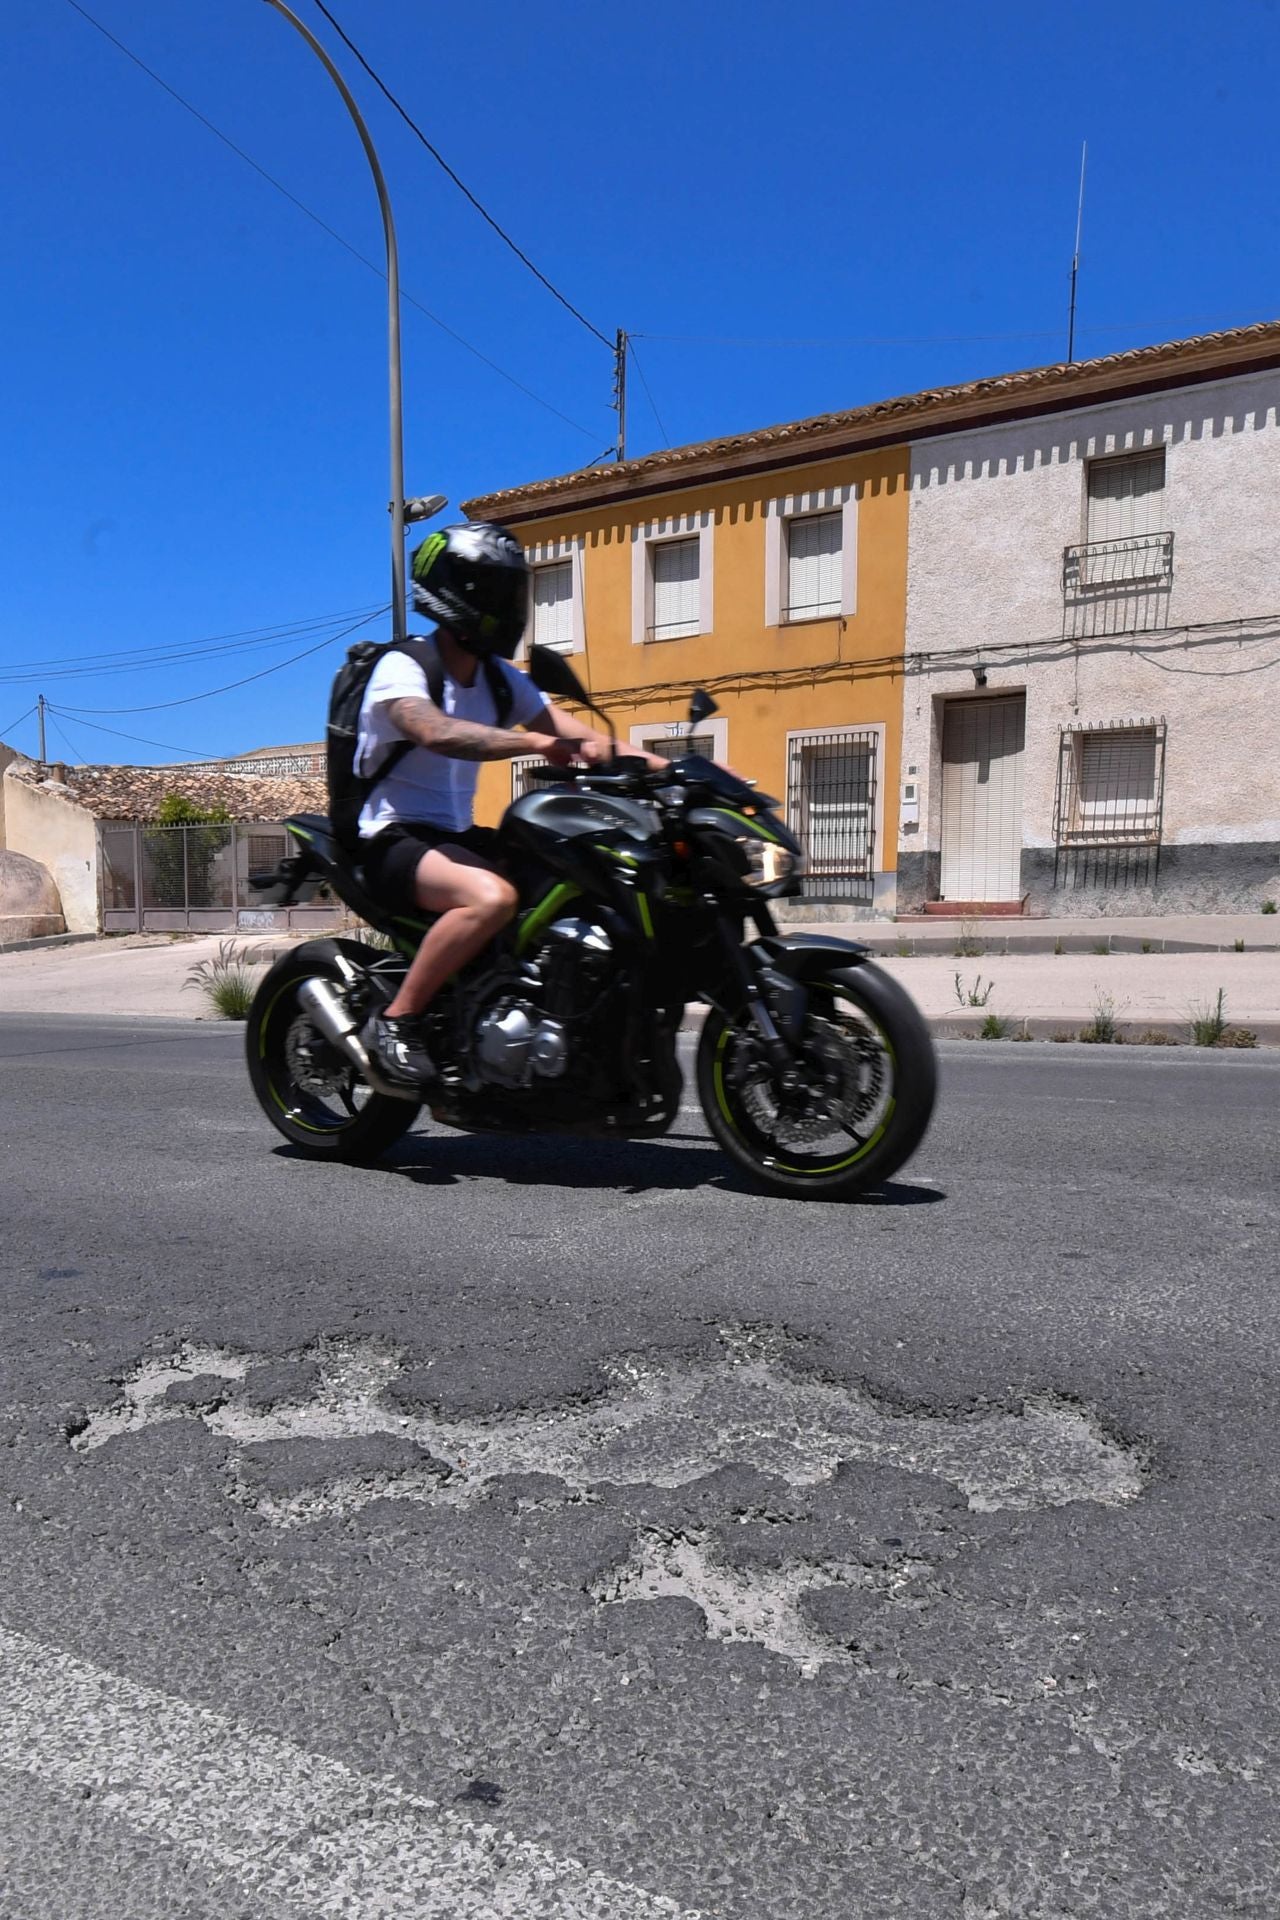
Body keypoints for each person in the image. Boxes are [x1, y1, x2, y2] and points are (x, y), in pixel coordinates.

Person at [354, 521, 643, 1091]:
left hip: (455, 836)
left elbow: (586, 738)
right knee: (492, 898)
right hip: (391, 836)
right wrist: (533, 742)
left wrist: (688, 772)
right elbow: (435, 731)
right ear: (456, 593)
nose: (509, 605)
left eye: (514, 591)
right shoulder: (403, 667)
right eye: (495, 590)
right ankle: (397, 1020)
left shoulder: (502, 682)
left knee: (570, 880)